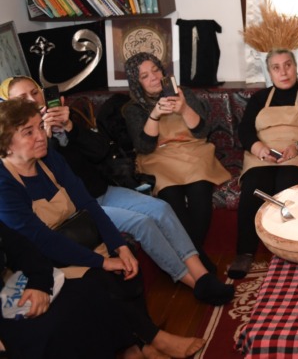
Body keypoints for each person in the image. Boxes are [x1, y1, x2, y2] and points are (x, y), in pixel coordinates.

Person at [0, 98, 206, 358]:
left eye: (40, 127)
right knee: (101, 277)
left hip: (73, 239)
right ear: (6, 143)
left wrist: (117, 245)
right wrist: (101, 261)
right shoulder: (5, 184)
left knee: (128, 259)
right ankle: (154, 339)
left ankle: (140, 346)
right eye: (28, 132)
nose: (41, 135)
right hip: (39, 258)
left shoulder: (49, 158)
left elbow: (87, 202)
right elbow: (41, 240)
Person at [0, 76, 231, 305]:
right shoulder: (30, 149)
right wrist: (46, 136)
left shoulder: (64, 119)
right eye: (23, 98)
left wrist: (71, 127)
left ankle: (202, 274)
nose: (32, 100)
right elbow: (54, 186)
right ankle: (191, 281)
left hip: (100, 189)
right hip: (77, 209)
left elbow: (101, 150)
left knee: (161, 208)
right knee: (143, 223)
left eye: (35, 92)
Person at [123, 52, 231, 264]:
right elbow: (144, 146)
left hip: (193, 151)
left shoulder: (184, 94)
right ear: (137, 83)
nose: (153, 77)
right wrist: (154, 114)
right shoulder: (133, 109)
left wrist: (183, 108)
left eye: (155, 70)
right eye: (145, 76)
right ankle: (199, 260)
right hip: (158, 157)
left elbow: (202, 132)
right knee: (170, 195)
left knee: (200, 188)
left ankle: (193, 259)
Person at [228, 48, 298, 279]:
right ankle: (245, 252)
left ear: (296, 67)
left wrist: (297, 147)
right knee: (254, 185)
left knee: (289, 182)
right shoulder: (259, 99)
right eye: (276, 67)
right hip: (263, 152)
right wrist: (259, 148)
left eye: (288, 65)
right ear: (269, 72)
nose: (284, 72)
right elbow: (245, 131)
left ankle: (294, 245)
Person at [0, 220, 144, 358]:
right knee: (48, 332)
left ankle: (133, 346)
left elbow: (21, 249)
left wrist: (39, 284)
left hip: (11, 298)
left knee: (87, 290)